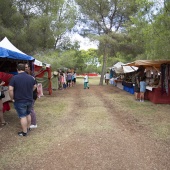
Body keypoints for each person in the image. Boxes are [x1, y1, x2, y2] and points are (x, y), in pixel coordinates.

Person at [9, 63, 36, 136]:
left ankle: (24, 132)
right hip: (29, 99)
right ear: (25, 69)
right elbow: (35, 86)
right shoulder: (31, 77)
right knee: (28, 114)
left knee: (22, 116)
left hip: (19, 100)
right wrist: (30, 91)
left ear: (17, 69)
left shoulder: (14, 78)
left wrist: (12, 98)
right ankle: (28, 128)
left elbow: (10, 90)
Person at [25, 63, 38, 129]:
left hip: (32, 95)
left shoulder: (31, 76)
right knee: (29, 109)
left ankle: (34, 123)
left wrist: (29, 92)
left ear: (29, 68)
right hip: (30, 95)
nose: (26, 68)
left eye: (27, 67)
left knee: (31, 109)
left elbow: (35, 86)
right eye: (25, 67)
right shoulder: (29, 76)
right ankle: (31, 122)